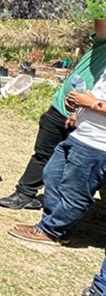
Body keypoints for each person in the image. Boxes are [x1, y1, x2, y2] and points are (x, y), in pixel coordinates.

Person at [0, 20, 106, 210]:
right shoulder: (104, 43)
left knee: (81, 167)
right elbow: (101, 21)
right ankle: (25, 194)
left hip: (92, 120)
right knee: (43, 154)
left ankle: (67, 209)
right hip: (60, 109)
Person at [7, 63, 106, 245]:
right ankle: (49, 225)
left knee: (76, 191)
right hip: (81, 134)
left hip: (98, 145)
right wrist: (80, 107)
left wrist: (91, 104)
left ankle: (53, 231)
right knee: (52, 174)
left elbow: (95, 102)